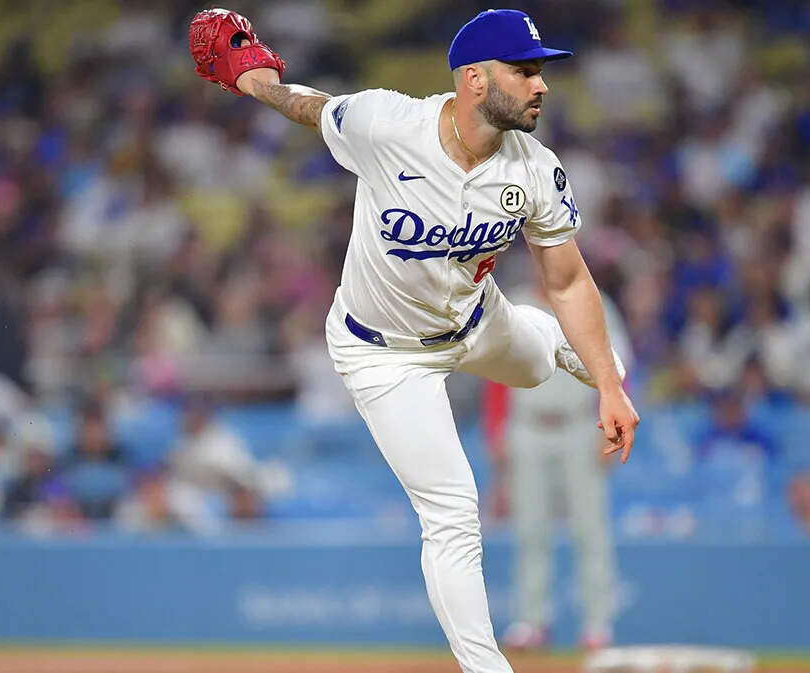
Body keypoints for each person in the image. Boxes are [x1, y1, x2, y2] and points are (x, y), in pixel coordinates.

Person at [189, 9, 639, 673]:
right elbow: (311, 106)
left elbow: (568, 281)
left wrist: (609, 386)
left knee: (541, 353)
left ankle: (568, 355)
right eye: (526, 71)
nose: (541, 85)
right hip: (384, 354)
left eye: (541, 71)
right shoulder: (386, 124)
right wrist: (251, 78)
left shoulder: (535, 171)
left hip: (477, 322)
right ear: (477, 81)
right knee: (453, 511)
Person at [485, 286, 632, 653]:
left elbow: (616, 369)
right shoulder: (515, 301)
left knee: (589, 528)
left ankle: (598, 625)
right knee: (530, 529)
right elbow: (495, 370)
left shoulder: (594, 300)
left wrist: (612, 428)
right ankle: (532, 622)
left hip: (580, 426)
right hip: (528, 426)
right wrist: (497, 430)